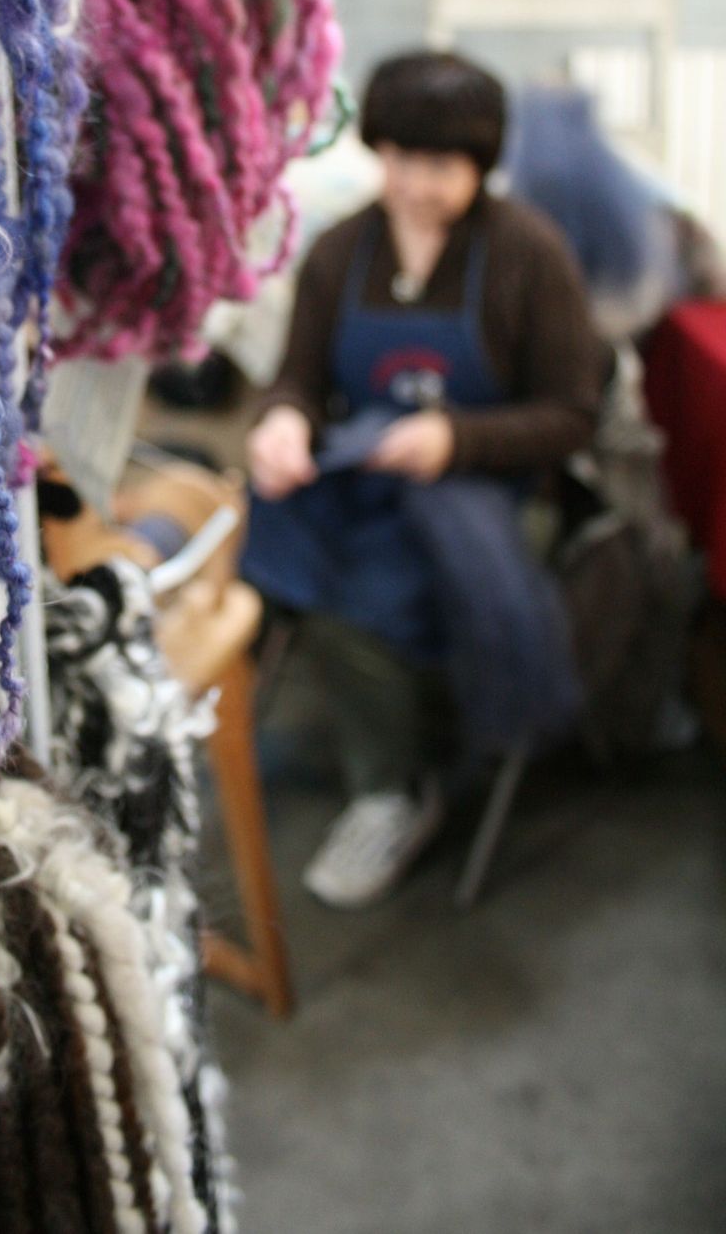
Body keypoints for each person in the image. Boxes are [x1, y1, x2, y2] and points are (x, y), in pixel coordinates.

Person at [243, 51, 607, 908]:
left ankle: (399, 783)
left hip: (500, 493)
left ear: (481, 165)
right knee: (299, 546)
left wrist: (457, 438)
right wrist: (285, 419)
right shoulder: (341, 251)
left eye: (441, 167)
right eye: (400, 159)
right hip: (376, 478)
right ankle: (394, 771)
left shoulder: (529, 255)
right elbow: (294, 376)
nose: (414, 184)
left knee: (359, 600)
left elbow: (572, 414)